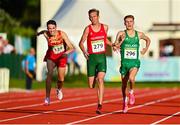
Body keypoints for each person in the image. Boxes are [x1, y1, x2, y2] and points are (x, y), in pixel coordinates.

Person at [113, 15, 151, 113]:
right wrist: (120, 42)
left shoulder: (139, 34)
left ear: (133, 22)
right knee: (124, 85)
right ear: (124, 23)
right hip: (124, 63)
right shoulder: (121, 33)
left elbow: (148, 39)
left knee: (132, 78)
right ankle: (124, 101)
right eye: (127, 22)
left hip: (134, 62)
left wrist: (145, 49)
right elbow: (115, 46)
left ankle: (132, 92)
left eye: (130, 21)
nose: (129, 23)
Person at [79, 8, 113, 114]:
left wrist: (113, 44)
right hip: (91, 58)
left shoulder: (105, 27)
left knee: (100, 79)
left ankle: (100, 105)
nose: (92, 18)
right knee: (91, 85)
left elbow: (105, 40)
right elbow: (81, 43)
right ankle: (97, 95)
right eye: (90, 17)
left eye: (94, 16)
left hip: (101, 57)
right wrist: (84, 52)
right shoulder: (88, 29)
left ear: (98, 16)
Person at [37, 20, 74, 105]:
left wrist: (65, 53)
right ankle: (47, 98)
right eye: (49, 28)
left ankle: (59, 88)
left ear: (56, 27)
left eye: (53, 28)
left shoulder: (62, 34)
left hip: (61, 57)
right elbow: (43, 32)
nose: (51, 30)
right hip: (51, 57)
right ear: (47, 29)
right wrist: (39, 33)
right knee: (49, 73)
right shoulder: (46, 34)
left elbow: (71, 47)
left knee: (61, 79)